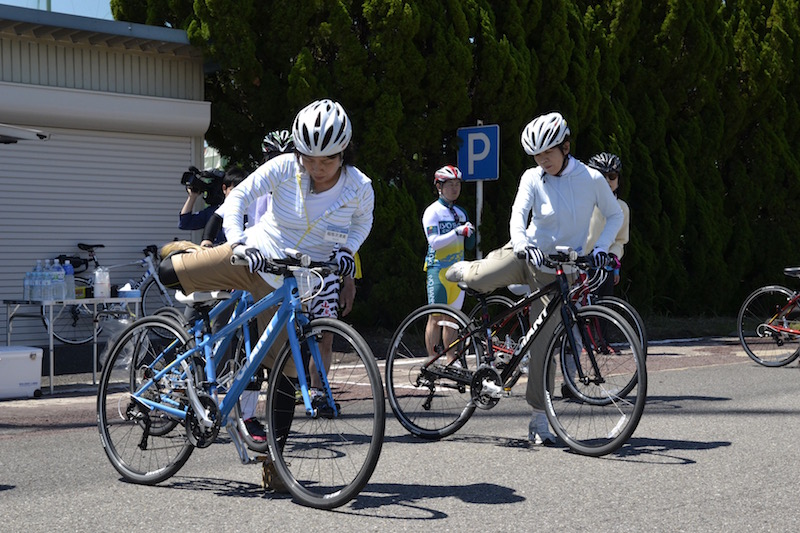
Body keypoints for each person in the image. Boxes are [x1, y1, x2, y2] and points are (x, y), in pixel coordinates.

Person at [158, 99, 374, 481]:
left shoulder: (359, 188)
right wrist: (239, 243)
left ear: (344, 154)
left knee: (285, 373)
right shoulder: (285, 167)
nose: (316, 169)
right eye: (309, 158)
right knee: (169, 270)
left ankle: (274, 464)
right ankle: (177, 356)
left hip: (296, 277)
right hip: (256, 255)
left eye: (327, 161)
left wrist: (346, 252)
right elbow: (238, 197)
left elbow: (361, 224)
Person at [445, 111, 623, 446]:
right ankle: (466, 269)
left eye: (549, 153)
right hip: (526, 253)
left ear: (566, 147)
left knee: (543, 348)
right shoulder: (532, 177)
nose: (544, 160)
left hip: (557, 269)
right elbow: (518, 214)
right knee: (483, 275)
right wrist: (524, 244)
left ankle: (540, 420)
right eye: (538, 155)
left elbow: (613, 214)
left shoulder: (590, 178)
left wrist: (599, 247)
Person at [422, 165, 475, 363]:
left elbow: (468, 244)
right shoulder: (432, 212)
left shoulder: (461, 213)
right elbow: (433, 241)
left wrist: (470, 234)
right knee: (436, 317)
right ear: (439, 187)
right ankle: (432, 358)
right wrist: (457, 232)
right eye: (450, 184)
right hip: (438, 270)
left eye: (457, 184)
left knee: (452, 319)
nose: (455, 189)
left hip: (457, 271)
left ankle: (451, 358)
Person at [584, 152, 629, 294]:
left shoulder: (622, 208)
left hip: (605, 266)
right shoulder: (581, 203)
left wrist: (614, 262)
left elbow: (620, 240)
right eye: (601, 176)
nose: (607, 181)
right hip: (580, 264)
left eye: (612, 176)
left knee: (603, 309)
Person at [178, 167, 246, 245]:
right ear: (224, 189)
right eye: (232, 190)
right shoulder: (213, 212)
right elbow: (184, 223)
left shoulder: (250, 212)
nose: (237, 195)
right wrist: (192, 197)